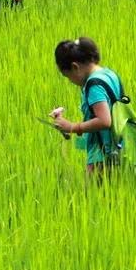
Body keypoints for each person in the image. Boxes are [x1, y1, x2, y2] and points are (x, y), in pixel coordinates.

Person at [51, 38, 121, 177]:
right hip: (118, 147)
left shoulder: (94, 85)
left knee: (92, 195)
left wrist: (73, 127)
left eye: (68, 76)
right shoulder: (108, 74)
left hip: (103, 154)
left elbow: (104, 120)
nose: (70, 81)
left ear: (75, 67)